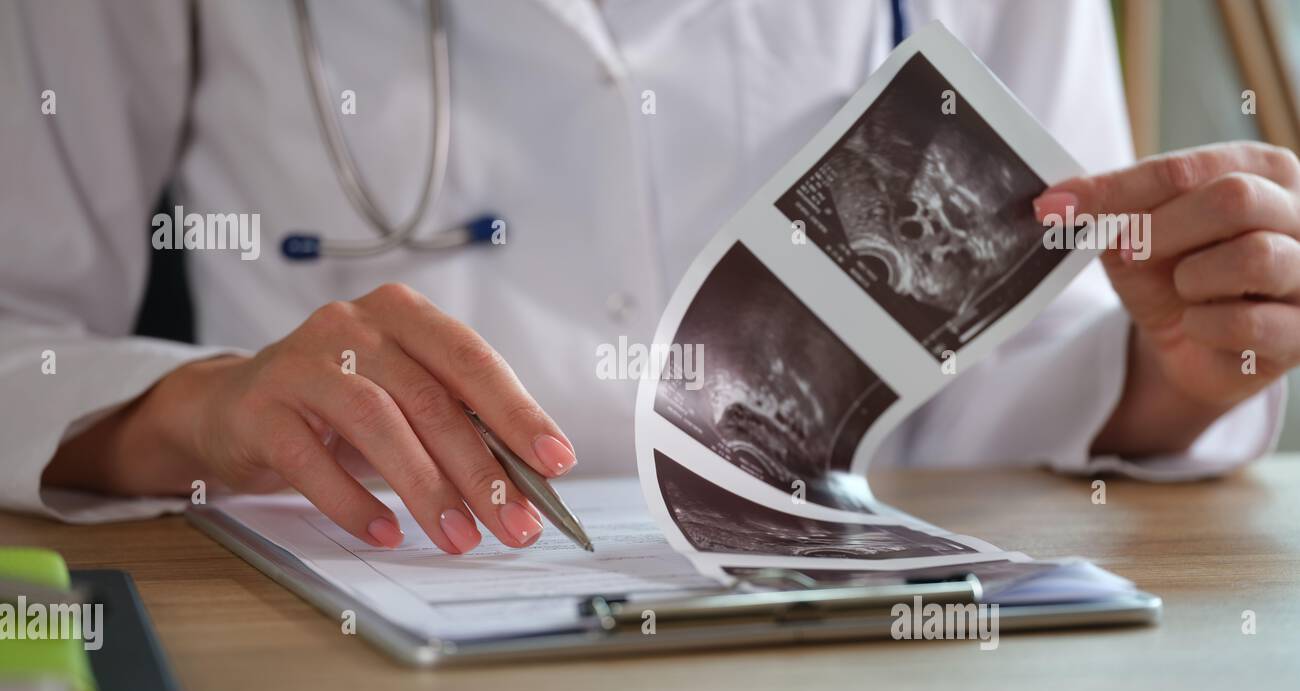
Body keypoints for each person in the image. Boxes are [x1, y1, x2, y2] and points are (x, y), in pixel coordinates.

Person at [2, 0, 1292, 555]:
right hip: (362, 630)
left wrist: (1174, 368)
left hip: (857, 660)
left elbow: (1028, 358)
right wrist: (198, 411)